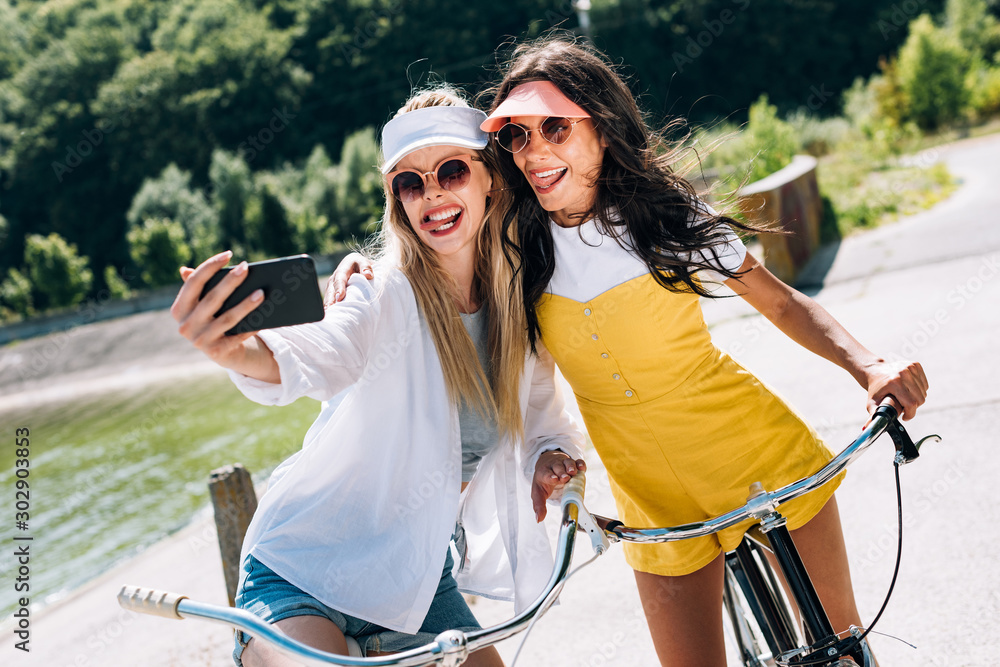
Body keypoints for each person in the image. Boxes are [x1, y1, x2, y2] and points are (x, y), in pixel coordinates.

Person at [329, 39, 928, 667]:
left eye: (555, 127)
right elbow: (435, 257)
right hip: (651, 503)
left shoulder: (665, 220)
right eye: (516, 137)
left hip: (761, 462)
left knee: (842, 650)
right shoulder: (516, 249)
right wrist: (363, 269)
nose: (535, 152)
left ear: (602, 126)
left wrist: (869, 365)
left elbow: (781, 303)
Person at [170, 85, 586, 667]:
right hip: (299, 574)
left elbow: (544, 419)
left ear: (491, 177)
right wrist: (241, 349)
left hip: (414, 581)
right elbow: (322, 347)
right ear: (397, 201)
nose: (431, 194)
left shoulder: (517, 309)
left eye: (450, 171)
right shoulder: (380, 290)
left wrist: (546, 459)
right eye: (410, 182)